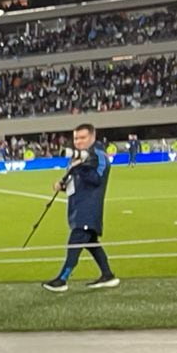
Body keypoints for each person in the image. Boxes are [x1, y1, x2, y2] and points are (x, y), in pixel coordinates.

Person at [42, 122, 119, 292]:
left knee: (75, 242)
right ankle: (108, 275)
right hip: (77, 207)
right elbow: (74, 183)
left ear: (92, 137)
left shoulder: (98, 155)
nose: (78, 141)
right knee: (91, 243)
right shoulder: (78, 157)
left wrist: (80, 168)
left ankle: (62, 279)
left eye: (82, 137)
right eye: (76, 138)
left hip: (88, 208)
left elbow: (96, 179)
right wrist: (61, 185)